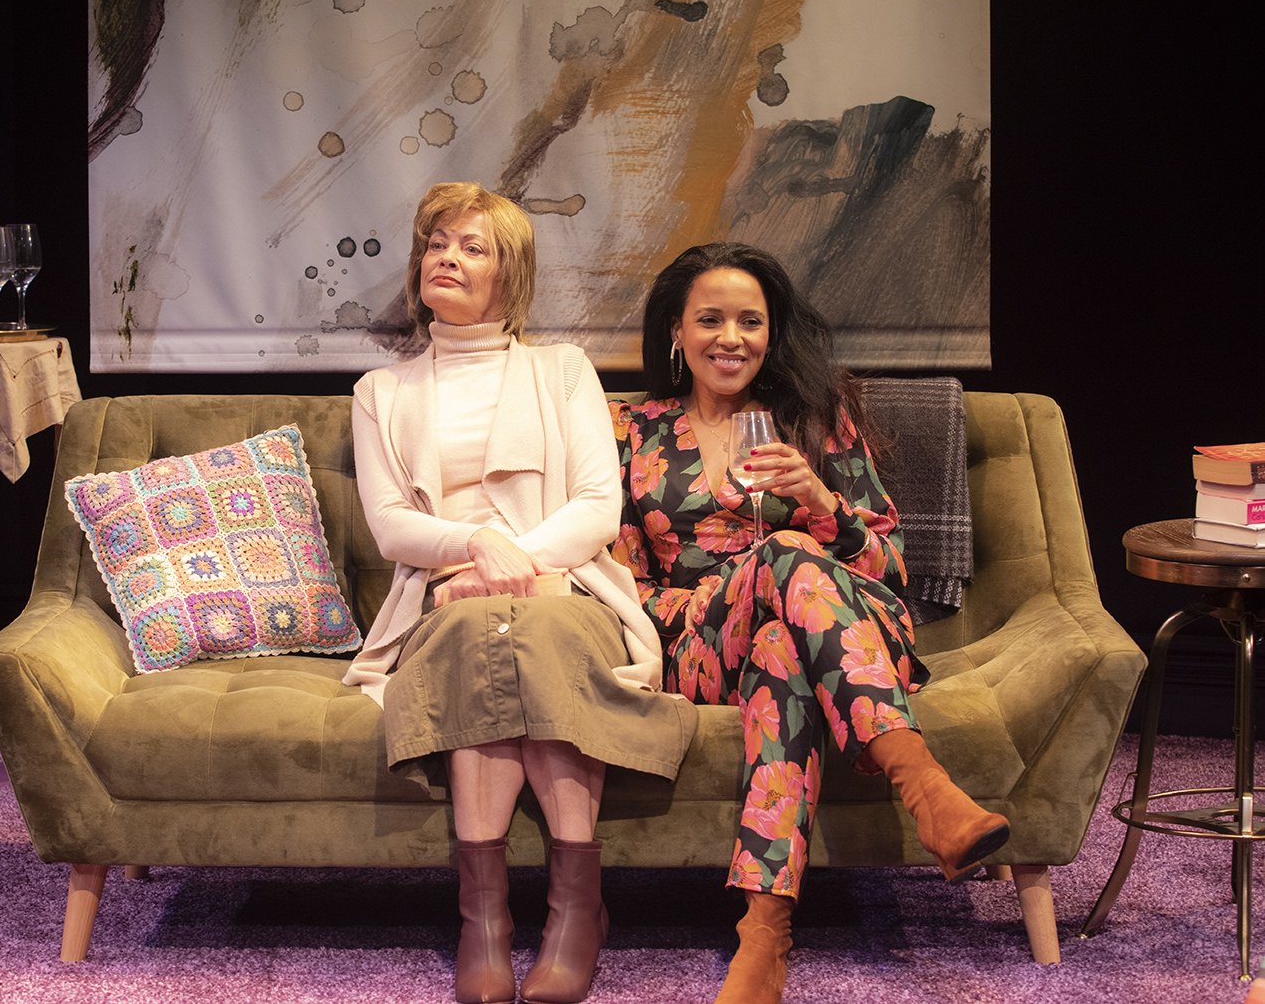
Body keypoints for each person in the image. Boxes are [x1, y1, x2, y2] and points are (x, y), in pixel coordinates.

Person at [610, 242, 1009, 1004]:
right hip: (696, 642)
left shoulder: (816, 420)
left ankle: (763, 934)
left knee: (780, 643)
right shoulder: (634, 430)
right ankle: (922, 785)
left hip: (831, 626)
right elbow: (620, 582)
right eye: (710, 319)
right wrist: (720, 589)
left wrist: (824, 503)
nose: (731, 337)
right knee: (783, 555)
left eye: (750, 321)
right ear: (675, 330)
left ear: (771, 334)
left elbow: (891, 567)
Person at [343, 182, 697, 1004]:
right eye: (437, 242)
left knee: (531, 628)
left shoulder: (560, 369)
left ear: (512, 274)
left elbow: (594, 507)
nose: (447, 257)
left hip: (565, 584)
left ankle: (575, 911)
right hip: (443, 594)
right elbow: (392, 525)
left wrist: (517, 565)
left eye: (472, 247)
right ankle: (487, 921)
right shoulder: (381, 392)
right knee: (475, 629)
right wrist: (473, 546)